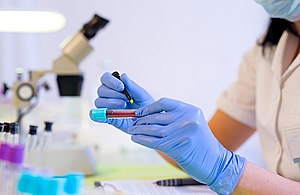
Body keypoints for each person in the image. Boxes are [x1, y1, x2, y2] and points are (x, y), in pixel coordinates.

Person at [90, 0, 300, 194]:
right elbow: (200, 149)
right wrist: (147, 123)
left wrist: (225, 169)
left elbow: (214, 160)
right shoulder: (267, 52)